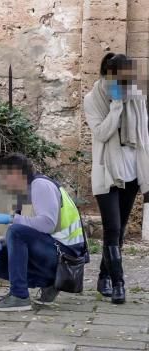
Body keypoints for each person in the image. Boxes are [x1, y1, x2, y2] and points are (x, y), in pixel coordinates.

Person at [84, 52, 149, 305]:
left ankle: (104, 278)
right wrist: (116, 107)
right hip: (107, 172)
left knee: (119, 230)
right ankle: (119, 282)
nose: (125, 85)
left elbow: (143, 138)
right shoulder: (94, 99)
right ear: (108, 76)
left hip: (132, 172)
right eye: (120, 80)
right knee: (111, 227)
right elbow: (101, 133)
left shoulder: (137, 98)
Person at [0, 154, 86, 312]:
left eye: (4, 176)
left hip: (67, 258)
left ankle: (19, 296)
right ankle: (49, 284)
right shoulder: (25, 192)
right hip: (55, 252)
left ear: (16, 173)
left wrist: (10, 219)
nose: (1, 182)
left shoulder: (40, 185)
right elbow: (30, 232)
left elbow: (46, 225)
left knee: (15, 231)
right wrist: (1, 242)